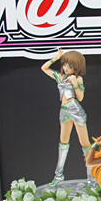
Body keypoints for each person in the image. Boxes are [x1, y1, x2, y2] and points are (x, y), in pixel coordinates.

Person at [41, 49, 93, 186]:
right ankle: (58, 175)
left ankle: (91, 178)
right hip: (64, 111)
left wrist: (75, 83)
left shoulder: (78, 78)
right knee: (63, 143)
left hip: (75, 110)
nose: (66, 68)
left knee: (85, 144)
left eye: (70, 66)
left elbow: (80, 98)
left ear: (77, 67)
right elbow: (44, 68)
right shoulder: (61, 77)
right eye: (64, 64)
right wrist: (56, 57)